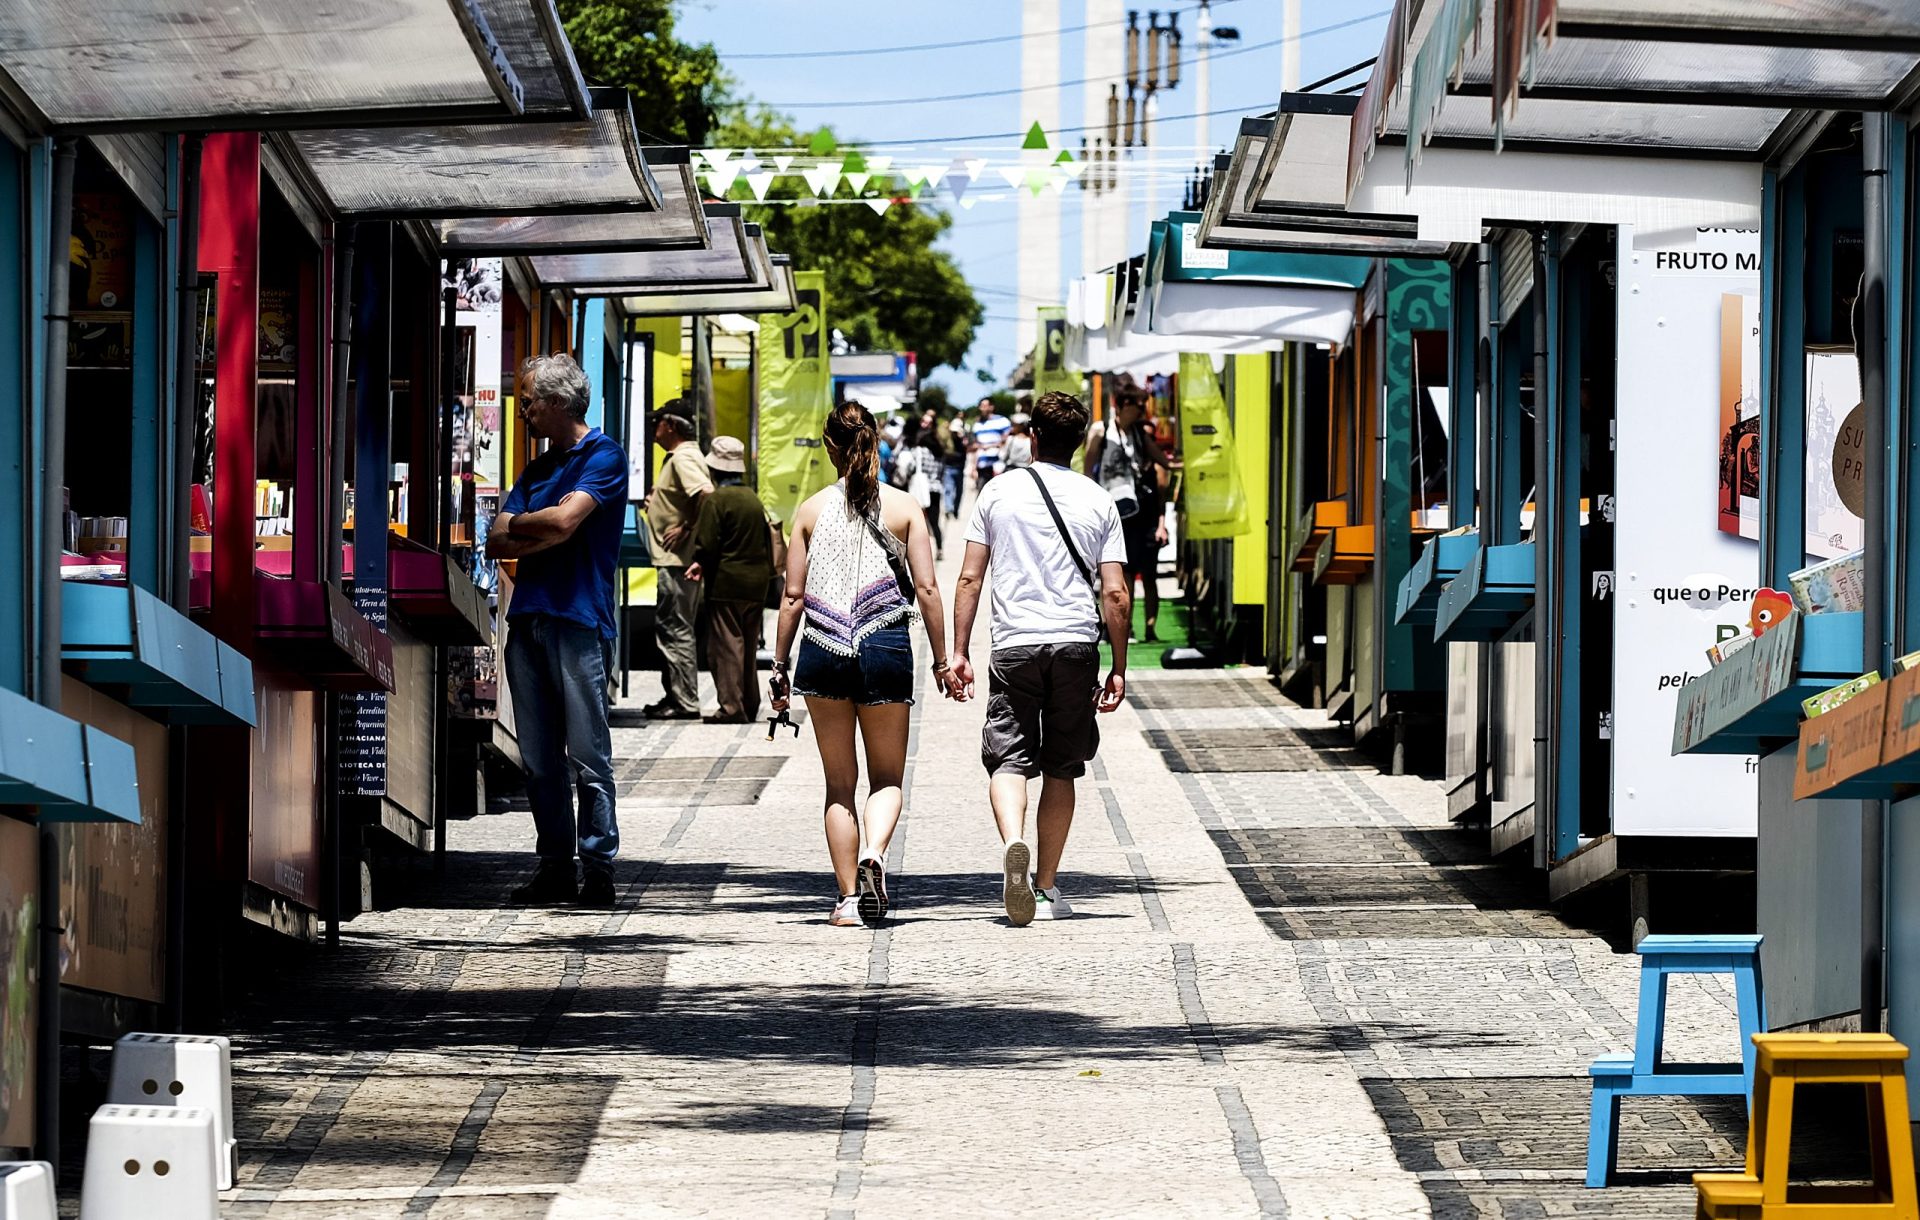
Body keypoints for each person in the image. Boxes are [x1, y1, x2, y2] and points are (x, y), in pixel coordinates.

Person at [770, 402, 966, 927]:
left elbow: (792, 597)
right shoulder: (904, 509)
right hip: (885, 646)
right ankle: (876, 853)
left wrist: (779, 665)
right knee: (887, 777)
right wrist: (944, 661)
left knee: (839, 784)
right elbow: (926, 587)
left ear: (829, 446)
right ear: (874, 441)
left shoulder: (809, 511)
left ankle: (848, 900)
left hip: (822, 645)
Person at [952, 391, 1131, 926]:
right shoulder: (1099, 500)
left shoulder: (997, 493)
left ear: (1032, 435)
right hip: (1075, 644)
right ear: (1078, 444)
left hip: (1013, 644)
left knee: (1009, 757)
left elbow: (968, 577)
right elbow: (1116, 593)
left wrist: (958, 650)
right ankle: (1047, 888)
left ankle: (1013, 842)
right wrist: (1119, 666)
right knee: (1062, 767)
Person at [486, 354, 629, 908]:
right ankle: (553, 865)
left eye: (530, 401)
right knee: (539, 757)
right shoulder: (538, 469)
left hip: (578, 619)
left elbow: (567, 523)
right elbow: (496, 539)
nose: (522, 410)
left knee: (589, 754)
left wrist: (535, 529)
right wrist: (538, 531)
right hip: (529, 620)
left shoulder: (604, 456)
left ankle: (597, 868)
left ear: (557, 403)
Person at [688, 435, 776, 724]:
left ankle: (731, 707)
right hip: (756, 585)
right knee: (749, 647)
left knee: (726, 648)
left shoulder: (717, 500)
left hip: (726, 584)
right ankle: (750, 703)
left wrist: (699, 562)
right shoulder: (752, 498)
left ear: (715, 469)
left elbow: (707, 544)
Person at [1083, 383, 1172, 641]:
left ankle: (1131, 627)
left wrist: (1176, 463)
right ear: (1122, 405)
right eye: (1138, 405)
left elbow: (1161, 460)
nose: (1142, 410)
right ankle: (1115, 627)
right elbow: (1089, 469)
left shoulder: (1137, 432)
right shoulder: (1102, 430)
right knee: (1113, 573)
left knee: (1133, 571)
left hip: (1135, 511)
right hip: (1108, 509)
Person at [640, 402, 711, 720]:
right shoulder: (680, 458)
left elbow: (705, 494)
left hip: (678, 561)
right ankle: (675, 696)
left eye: (657, 422)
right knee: (670, 628)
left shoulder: (683, 457)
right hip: (674, 560)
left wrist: (686, 528)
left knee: (676, 629)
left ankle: (684, 701)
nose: (654, 428)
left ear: (670, 425)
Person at [892, 416, 945, 559]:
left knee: (919, 522)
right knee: (934, 521)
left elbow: (910, 468)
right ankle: (940, 548)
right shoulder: (939, 452)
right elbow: (941, 472)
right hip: (936, 487)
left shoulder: (919, 451)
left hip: (921, 489)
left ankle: (921, 552)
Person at [969, 398, 1011, 488]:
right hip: (982, 465)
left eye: (985, 406)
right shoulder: (977, 425)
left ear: (991, 407)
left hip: (998, 464)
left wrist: (991, 445)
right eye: (981, 406)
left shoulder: (1002, 421)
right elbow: (975, 448)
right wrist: (973, 467)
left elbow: (1007, 440)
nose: (983, 408)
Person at [941, 416, 968, 517]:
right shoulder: (947, 440)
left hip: (959, 468)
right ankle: (949, 508)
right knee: (948, 488)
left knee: (958, 491)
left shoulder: (963, 441)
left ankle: (955, 509)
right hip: (949, 467)